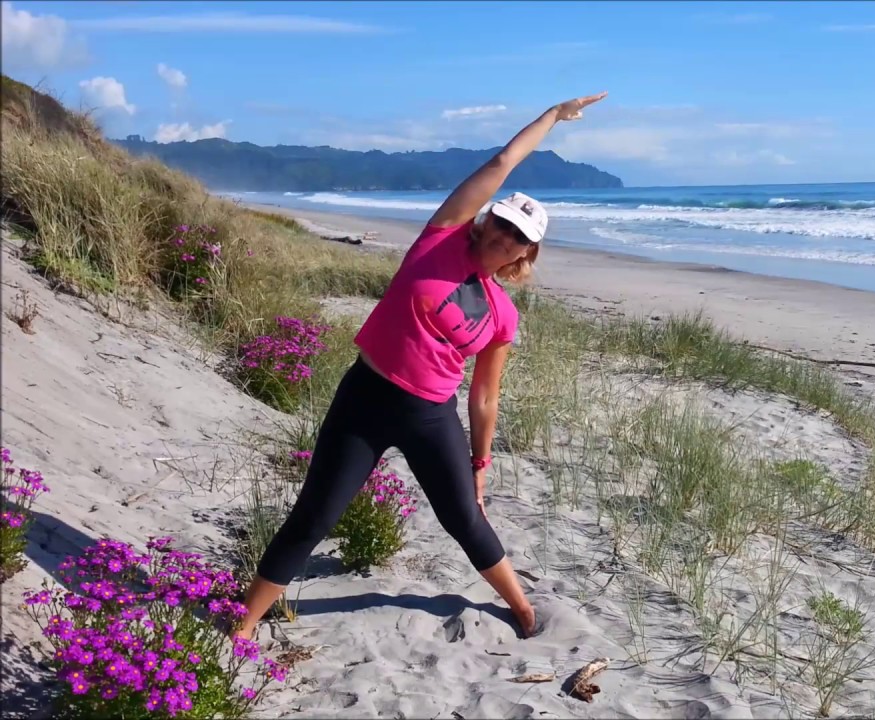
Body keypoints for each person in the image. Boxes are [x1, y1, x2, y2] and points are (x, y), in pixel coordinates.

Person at [232, 91, 608, 641]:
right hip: (364, 399)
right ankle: (243, 625)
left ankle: (523, 610)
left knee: (464, 519)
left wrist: (481, 463)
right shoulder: (440, 238)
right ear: (485, 222)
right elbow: (501, 163)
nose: (505, 238)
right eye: (501, 225)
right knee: (314, 516)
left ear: (524, 256)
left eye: (518, 240)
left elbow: (484, 396)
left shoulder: (503, 313)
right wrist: (553, 117)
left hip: (431, 417)